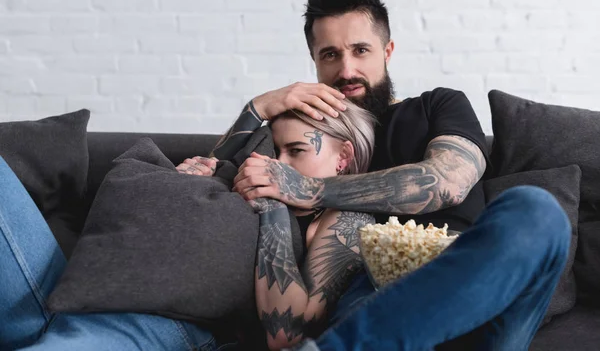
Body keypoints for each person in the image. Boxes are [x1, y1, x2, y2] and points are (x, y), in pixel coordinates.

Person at [184, 0, 571, 350]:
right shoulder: (299, 134)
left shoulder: (437, 105)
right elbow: (207, 175)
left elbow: (446, 183)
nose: (347, 70)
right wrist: (258, 107)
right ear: (314, 61)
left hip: (470, 284)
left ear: (387, 51)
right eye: (330, 54)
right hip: (371, 296)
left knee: (536, 211)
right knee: (367, 295)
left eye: (361, 50)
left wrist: (311, 189)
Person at [0, 100, 378, 351]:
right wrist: (181, 184)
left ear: (343, 157)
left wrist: (273, 205)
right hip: (63, 295)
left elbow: (288, 333)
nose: (274, 164)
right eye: (272, 152)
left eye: (295, 151)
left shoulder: (343, 219)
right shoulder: (234, 176)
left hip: (156, 325)